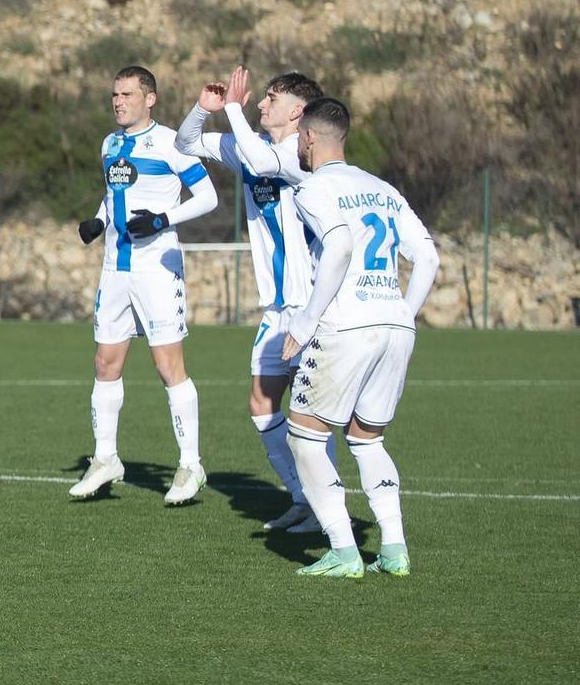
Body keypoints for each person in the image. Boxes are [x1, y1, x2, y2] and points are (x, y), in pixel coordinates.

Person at [283, 97, 439, 579]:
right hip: (395, 322)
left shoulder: (313, 189)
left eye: (299, 139)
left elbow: (341, 245)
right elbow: (429, 258)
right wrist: (400, 314)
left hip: (347, 325)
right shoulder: (383, 189)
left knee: (305, 435)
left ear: (308, 137)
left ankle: (344, 550)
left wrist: (306, 322)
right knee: (366, 438)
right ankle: (393, 548)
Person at [174, 66, 328, 533]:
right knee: (262, 404)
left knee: (312, 415)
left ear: (298, 111)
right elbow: (185, 144)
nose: (262, 104)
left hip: (312, 305)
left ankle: (329, 507)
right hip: (277, 307)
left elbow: (265, 164)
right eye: (260, 98)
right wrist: (205, 108)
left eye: (272, 98)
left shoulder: (306, 156)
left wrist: (236, 112)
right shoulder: (250, 148)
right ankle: (304, 500)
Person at [68, 65, 218, 506]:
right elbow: (113, 191)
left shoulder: (173, 142)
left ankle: (191, 465)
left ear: (149, 98)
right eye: (114, 94)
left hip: (157, 268)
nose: (118, 102)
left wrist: (162, 219)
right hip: (115, 267)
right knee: (105, 363)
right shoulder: (110, 144)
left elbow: (208, 198)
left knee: (167, 365)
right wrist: (99, 218)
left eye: (128, 94)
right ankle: (106, 459)